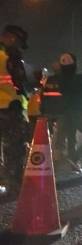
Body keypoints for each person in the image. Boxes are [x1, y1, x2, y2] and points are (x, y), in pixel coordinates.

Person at [0, 25, 31, 197]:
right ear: (12, 38)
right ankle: (14, 186)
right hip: (9, 108)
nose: (19, 46)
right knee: (14, 149)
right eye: (19, 42)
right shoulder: (11, 56)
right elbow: (20, 83)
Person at [57, 53, 82, 173]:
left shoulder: (60, 79)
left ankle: (74, 165)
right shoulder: (80, 78)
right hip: (79, 111)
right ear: (75, 64)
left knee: (71, 137)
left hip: (65, 111)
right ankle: (75, 158)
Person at [41, 61, 67, 160]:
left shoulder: (47, 80)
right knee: (61, 132)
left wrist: (42, 110)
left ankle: (45, 151)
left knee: (48, 132)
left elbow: (42, 95)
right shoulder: (65, 80)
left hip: (48, 110)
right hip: (61, 111)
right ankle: (58, 152)